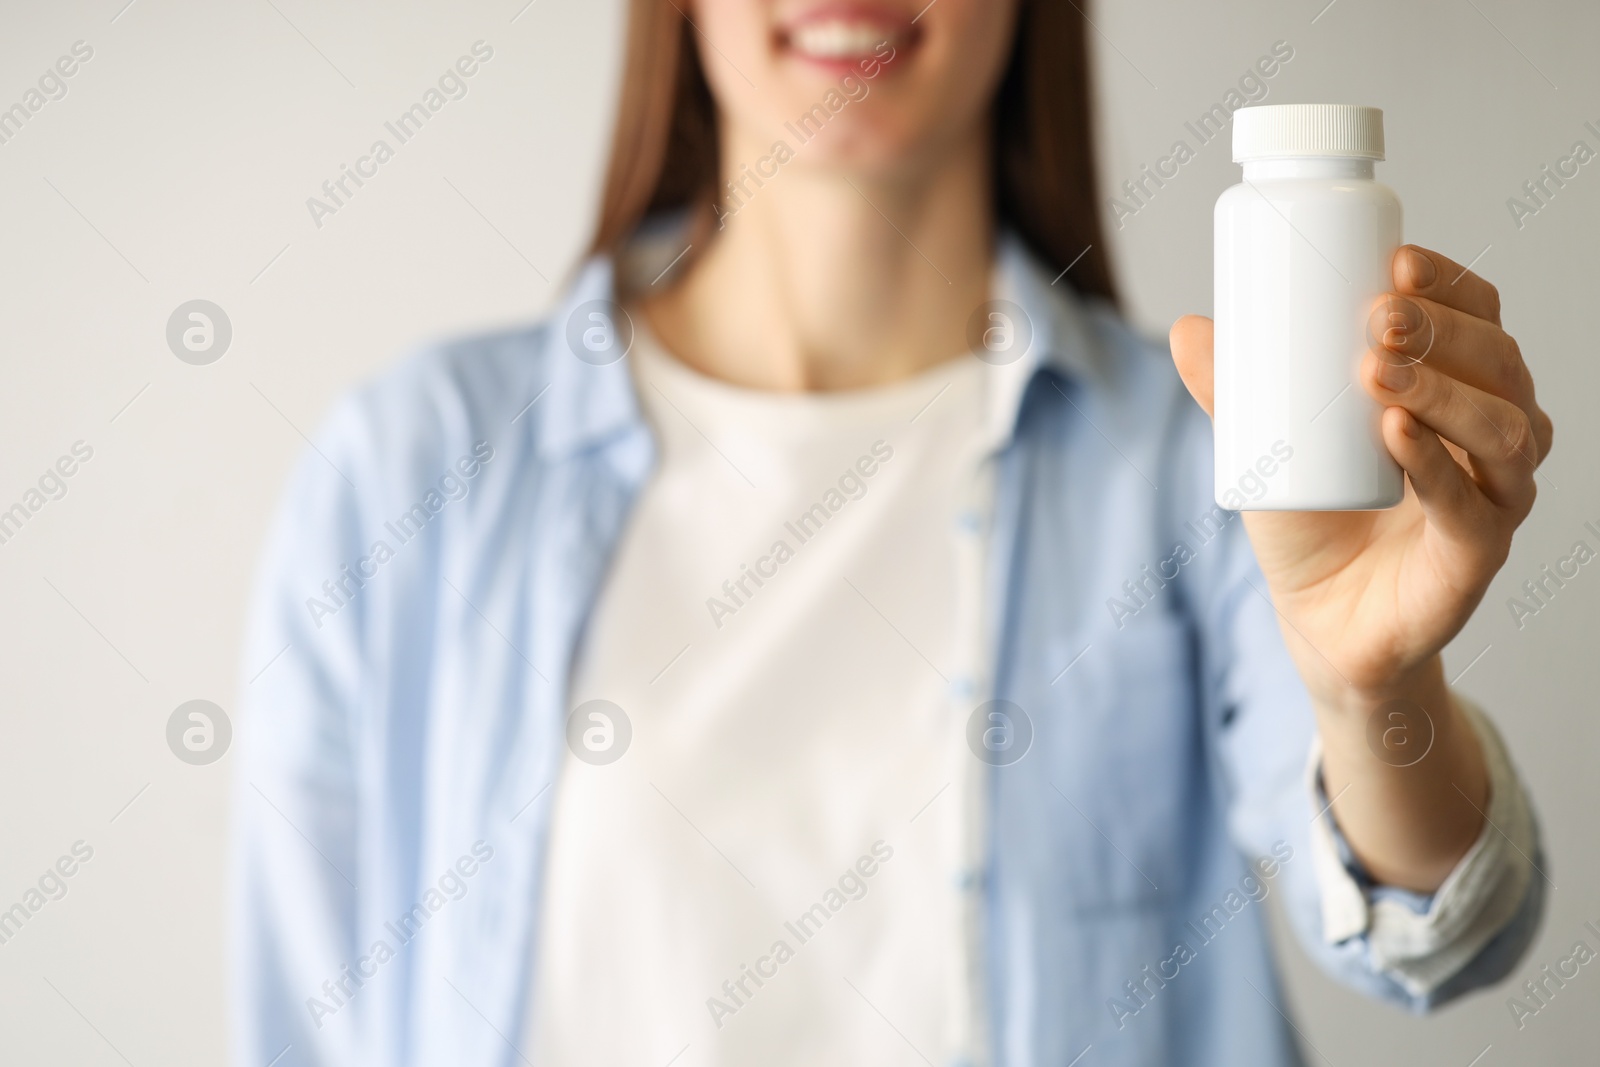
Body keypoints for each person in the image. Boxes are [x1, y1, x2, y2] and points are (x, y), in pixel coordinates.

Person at [230, 2, 1553, 1065]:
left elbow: (1439, 935)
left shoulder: (1204, 449)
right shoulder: (410, 469)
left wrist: (1364, 682)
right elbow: (301, 1013)